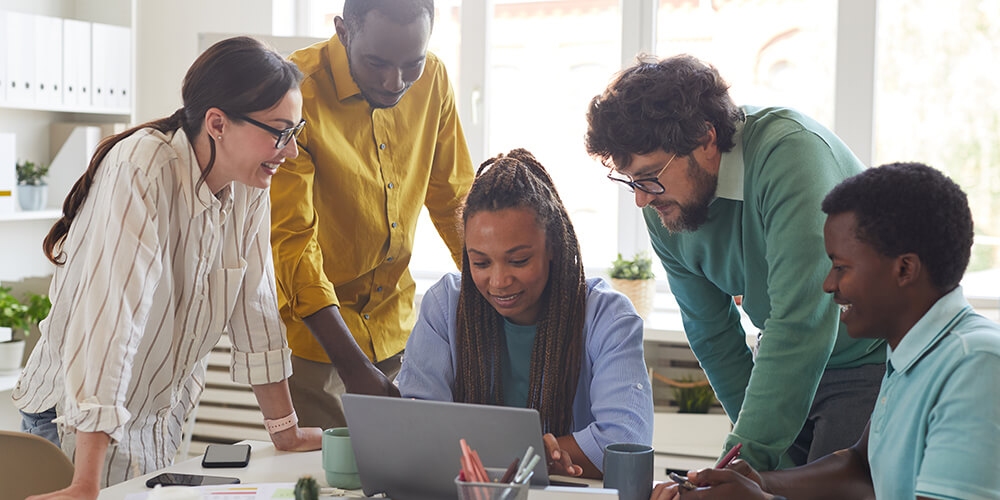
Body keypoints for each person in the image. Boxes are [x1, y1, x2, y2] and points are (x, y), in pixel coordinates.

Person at [12, 37, 323, 498]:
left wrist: (286, 431)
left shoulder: (250, 184)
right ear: (217, 123)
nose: (290, 151)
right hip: (75, 429)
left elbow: (255, 309)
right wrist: (86, 482)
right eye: (280, 132)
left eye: (295, 132)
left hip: (156, 424)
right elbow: (109, 323)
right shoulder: (143, 168)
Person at [585, 55, 886, 471]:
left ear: (707, 140)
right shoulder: (661, 203)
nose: (641, 198)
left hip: (864, 360)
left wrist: (741, 465)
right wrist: (745, 463)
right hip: (782, 361)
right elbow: (711, 333)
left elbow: (800, 320)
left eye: (651, 175)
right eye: (631, 181)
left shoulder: (790, 154)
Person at [653, 162, 1000, 500]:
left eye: (840, 267)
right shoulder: (914, 350)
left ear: (905, 268)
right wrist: (761, 482)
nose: (828, 284)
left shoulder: (977, 366)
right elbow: (860, 468)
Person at [269, 0, 474, 430]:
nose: (393, 81)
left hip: (400, 331)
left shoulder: (433, 78)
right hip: (319, 344)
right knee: (326, 487)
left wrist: (492, 289)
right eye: (376, 62)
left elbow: (455, 199)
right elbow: (292, 244)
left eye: (410, 64)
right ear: (343, 31)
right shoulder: (295, 91)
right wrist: (353, 367)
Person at [396, 149, 653, 479]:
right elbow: (416, 430)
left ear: (553, 249)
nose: (499, 281)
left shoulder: (607, 318)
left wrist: (513, 456)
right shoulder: (445, 306)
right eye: (481, 262)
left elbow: (624, 445)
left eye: (518, 261)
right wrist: (539, 454)